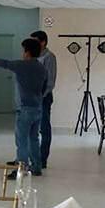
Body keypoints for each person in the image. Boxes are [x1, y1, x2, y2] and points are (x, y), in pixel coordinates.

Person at [0, 38, 47, 176]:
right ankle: (36, 167)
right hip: (38, 107)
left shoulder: (22, 65)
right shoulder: (42, 68)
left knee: (22, 141)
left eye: (23, 50)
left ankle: (21, 169)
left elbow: (4, 63)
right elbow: (44, 88)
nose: (22, 53)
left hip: (25, 109)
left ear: (27, 52)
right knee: (33, 139)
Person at [31, 30, 57, 169]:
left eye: (35, 41)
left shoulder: (49, 57)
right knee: (32, 129)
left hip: (43, 97)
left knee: (44, 129)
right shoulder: (33, 56)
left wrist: (41, 96)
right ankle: (32, 158)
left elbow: (50, 81)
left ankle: (42, 159)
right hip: (31, 97)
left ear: (43, 42)